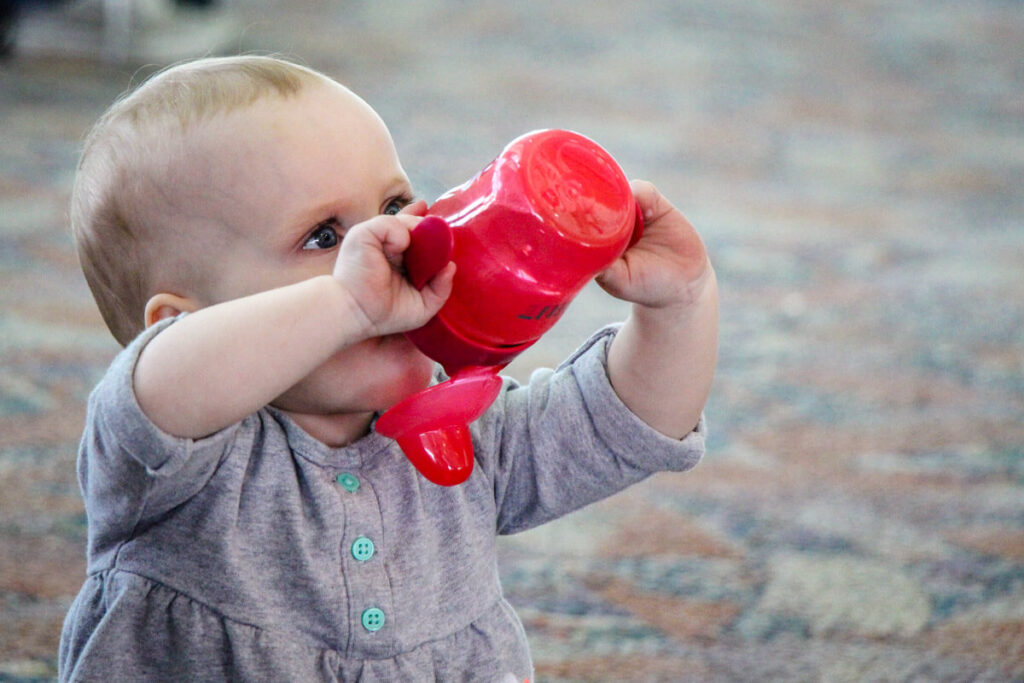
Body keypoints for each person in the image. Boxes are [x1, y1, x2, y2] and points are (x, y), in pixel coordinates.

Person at [58, 55, 718, 681]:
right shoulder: (172, 460)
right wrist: (344, 304)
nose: (393, 244)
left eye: (395, 204)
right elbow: (162, 384)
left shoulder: (464, 424)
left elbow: (625, 422)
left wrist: (682, 304)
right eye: (323, 235)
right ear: (182, 323)